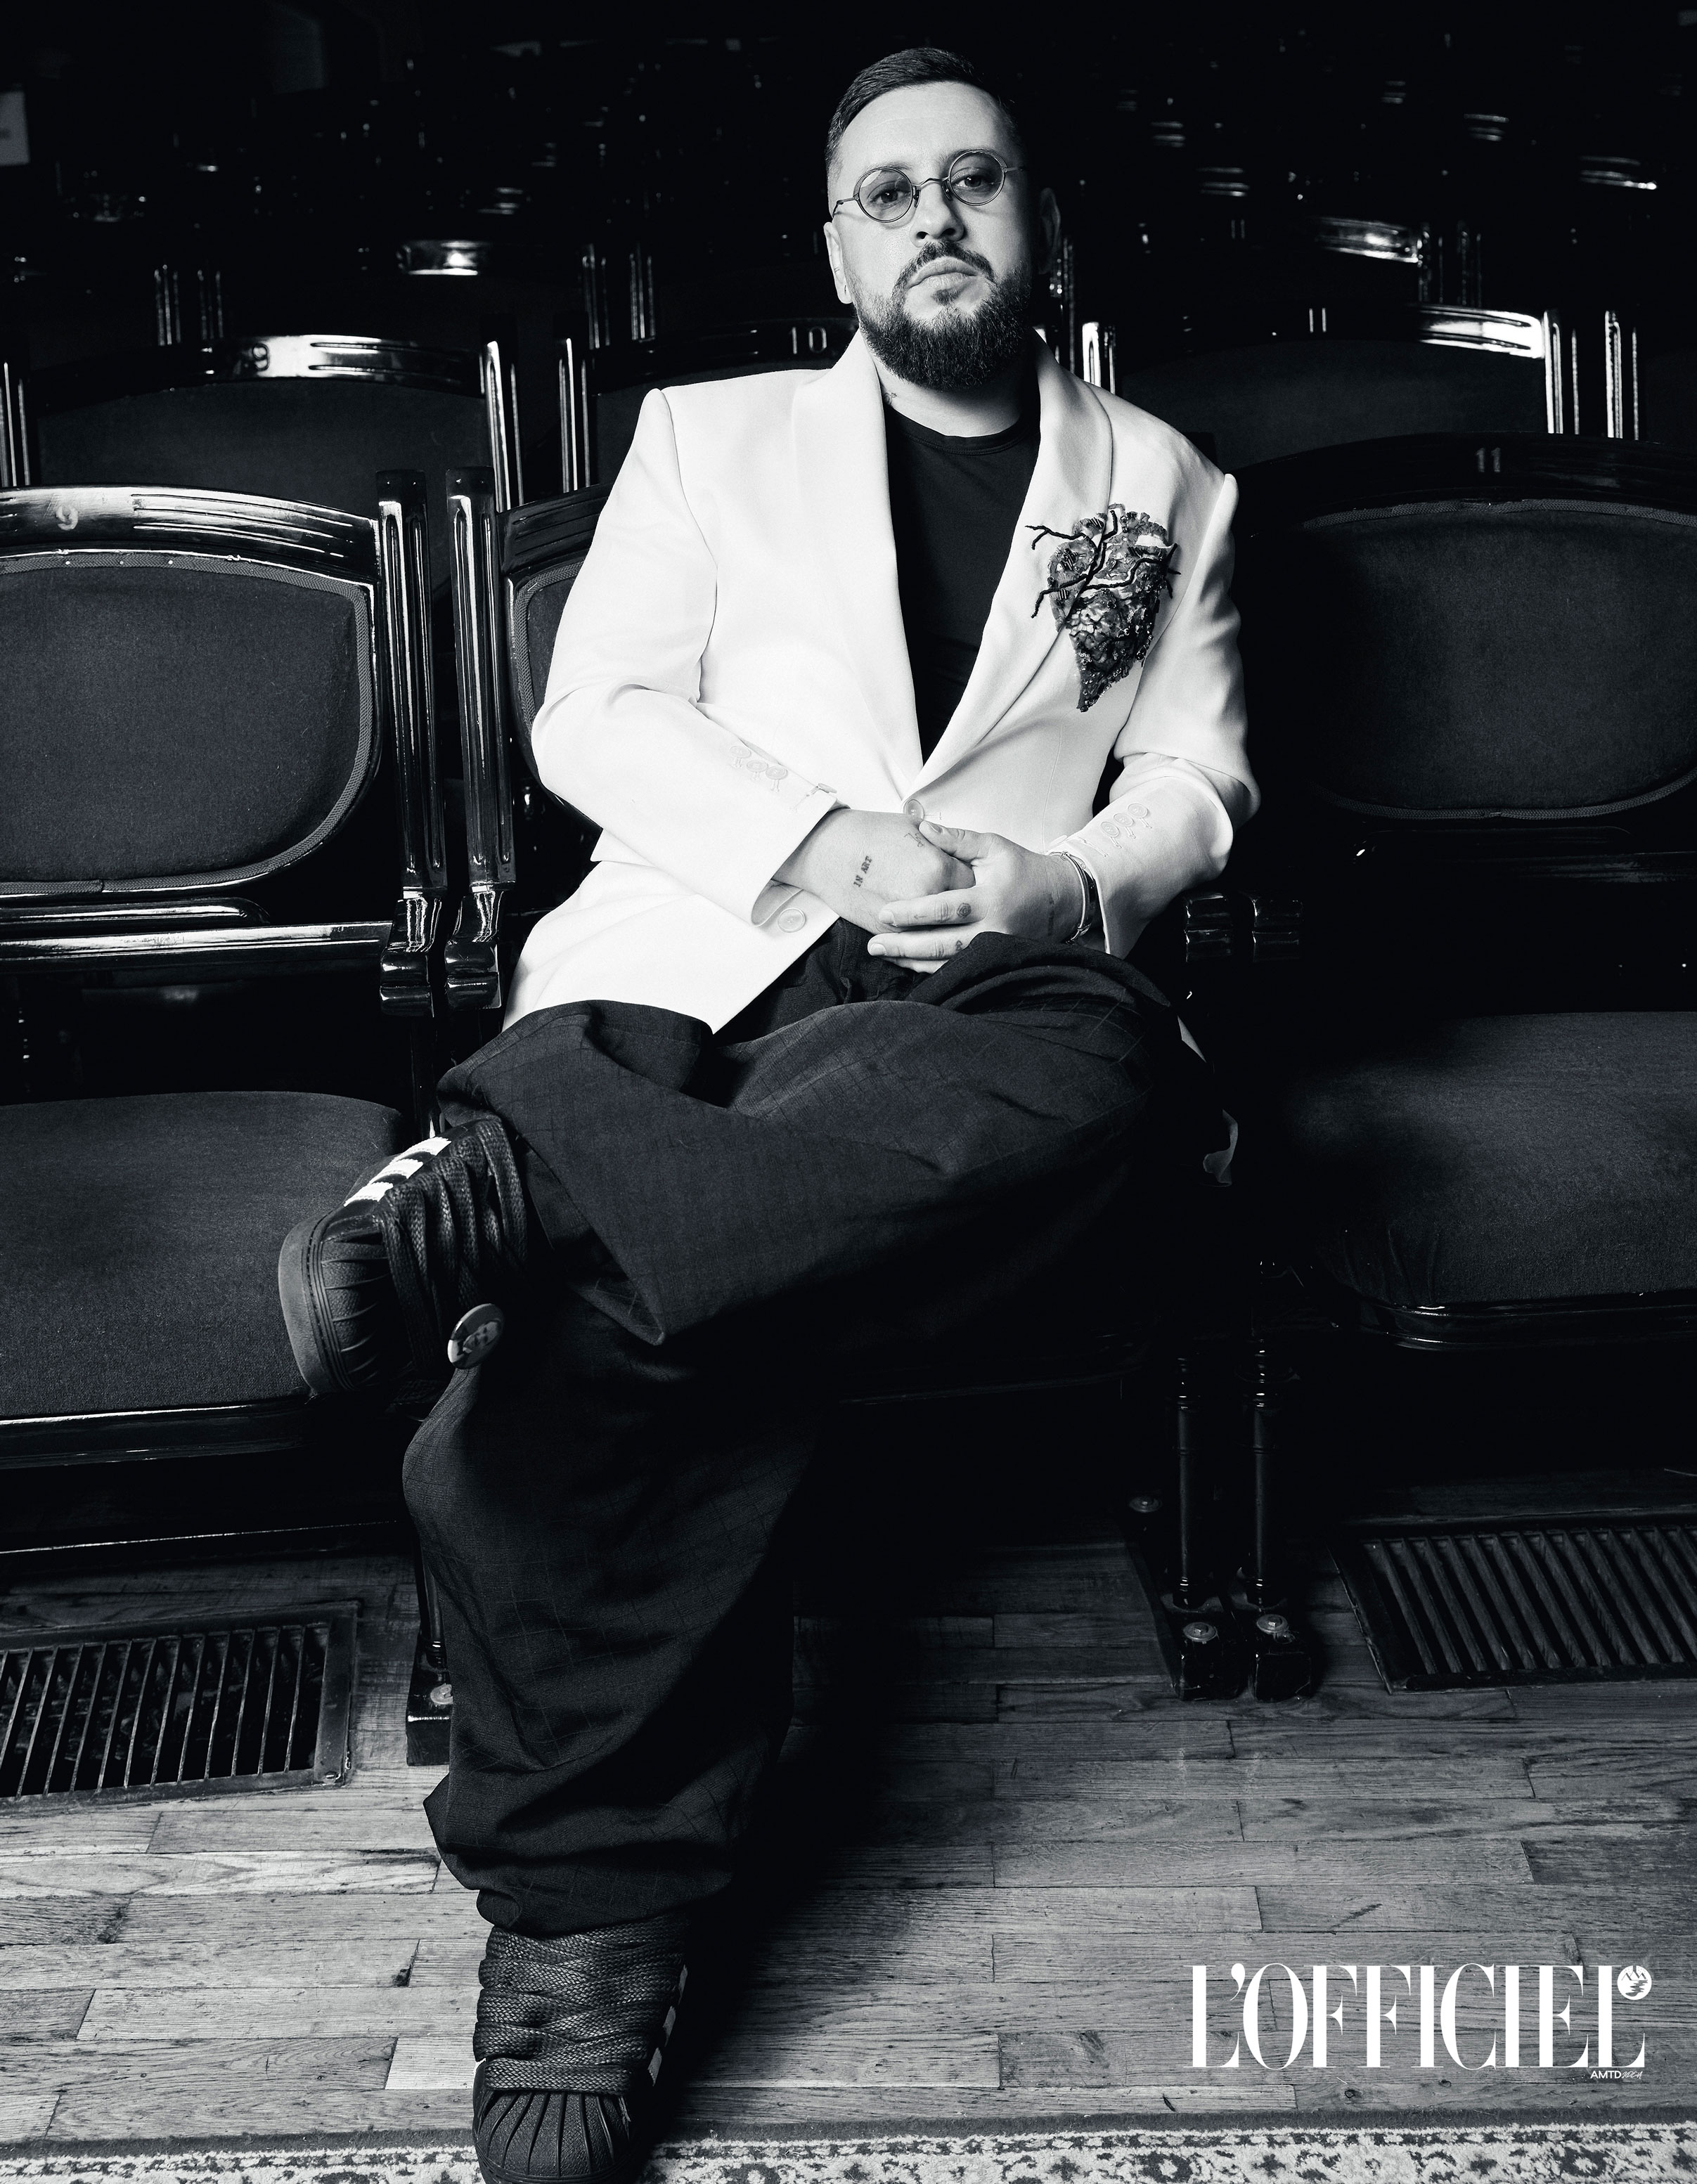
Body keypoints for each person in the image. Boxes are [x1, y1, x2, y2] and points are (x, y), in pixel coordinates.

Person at [277, 46, 1256, 2184]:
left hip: (986, 990)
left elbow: (1200, 772)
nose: (935, 220)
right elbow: (594, 709)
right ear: (835, 248)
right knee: (621, 1339)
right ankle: (589, 1923)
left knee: (1098, 1078)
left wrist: (1064, 880)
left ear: (1043, 227)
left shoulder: (1166, 480)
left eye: (976, 181)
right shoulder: (705, 441)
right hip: (704, 945)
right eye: (888, 191)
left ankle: (518, 1184)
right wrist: (818, 843)